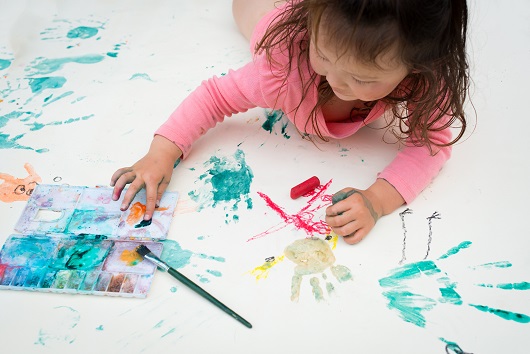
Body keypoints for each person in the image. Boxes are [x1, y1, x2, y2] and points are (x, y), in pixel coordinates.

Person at [111, 0, 470, 245]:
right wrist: (161, 152)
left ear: (417, 65)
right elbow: (215, 97)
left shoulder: (425, 78)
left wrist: (377, 200)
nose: (338, 82)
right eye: (325, 56)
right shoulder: (280, 66)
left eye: (363, 79)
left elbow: (432, 144)